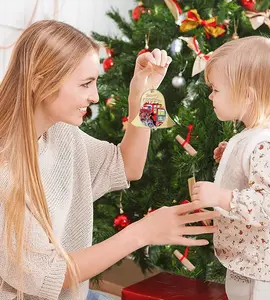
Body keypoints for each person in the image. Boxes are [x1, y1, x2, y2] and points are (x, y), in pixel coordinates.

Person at [0, 20, 219, 300]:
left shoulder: (61, 134)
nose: (94, 96)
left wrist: (141, 94)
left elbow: (128, 167)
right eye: (85, 84)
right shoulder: (6, 169)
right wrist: (142, 233)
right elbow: (52, 276)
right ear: (40, 81)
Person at [191, 36, 270, 300]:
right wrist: (232, 152)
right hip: (263, 262)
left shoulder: (265, 145)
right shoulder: (268, 132)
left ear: (247, 95)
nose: (210, 95)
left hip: (263, 273)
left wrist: (221, 197)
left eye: (216, 89)